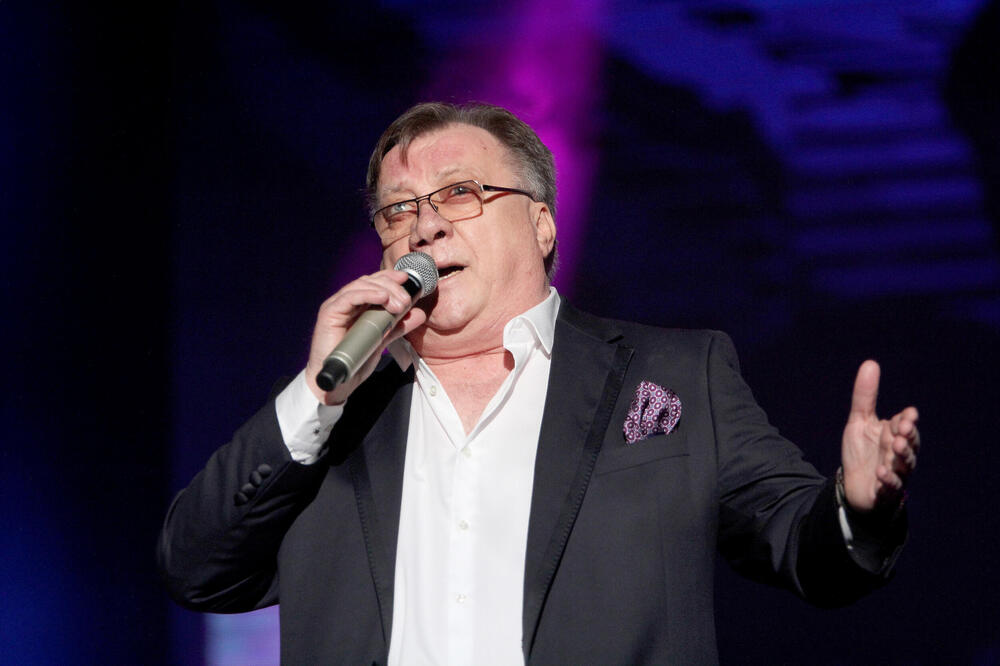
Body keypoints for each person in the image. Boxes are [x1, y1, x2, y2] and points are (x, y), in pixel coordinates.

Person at [158, 102, 920, 665]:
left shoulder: (673, 375)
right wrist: (316, 399)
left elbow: (801, 547)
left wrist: (856, 508)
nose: (424, 226)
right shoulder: (329, 421)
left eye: (459, 193)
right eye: (398, 210)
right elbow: (197, 570)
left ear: (543, 224)